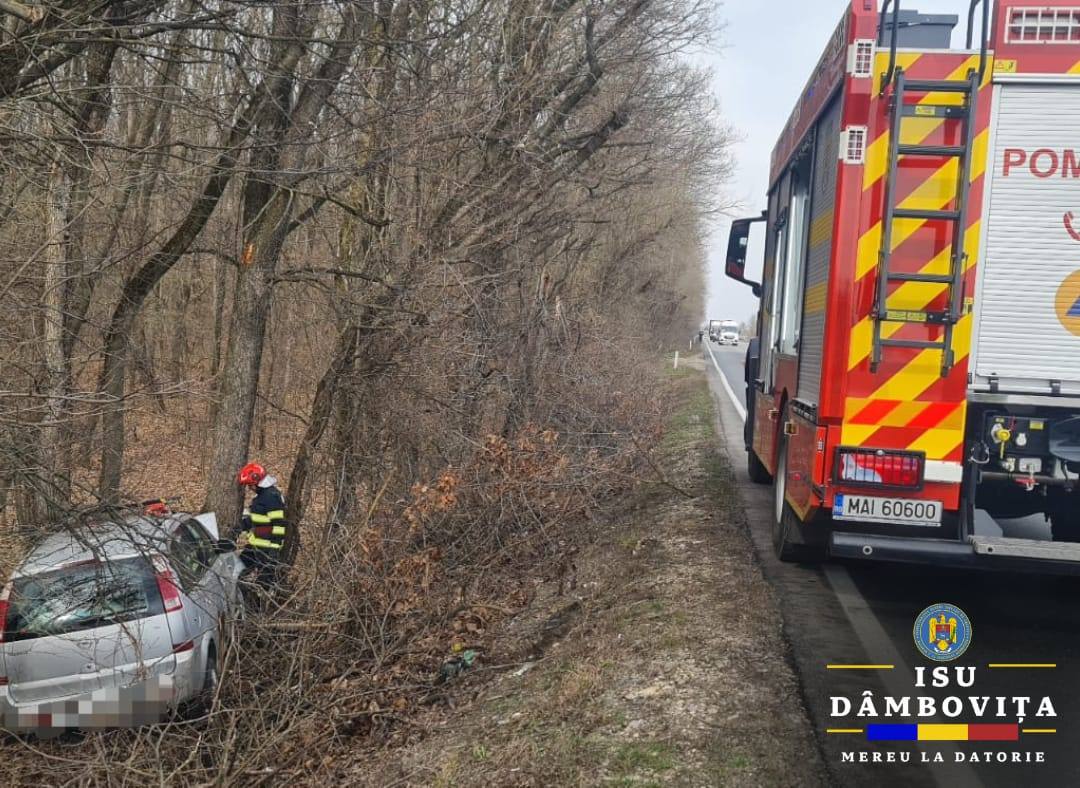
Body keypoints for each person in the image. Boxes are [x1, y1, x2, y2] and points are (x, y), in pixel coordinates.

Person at [236, 462, 287, 592]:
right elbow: (258, 517)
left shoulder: (271, 497)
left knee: (262, 585)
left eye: (250, 485)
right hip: (254, 546)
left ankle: (256, 607)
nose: (249, 488)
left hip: (267, 550)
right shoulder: (261, 497)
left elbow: (279, 525)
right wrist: (242, 526)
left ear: (257, 481)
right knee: (236, 571)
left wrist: (274, 550)